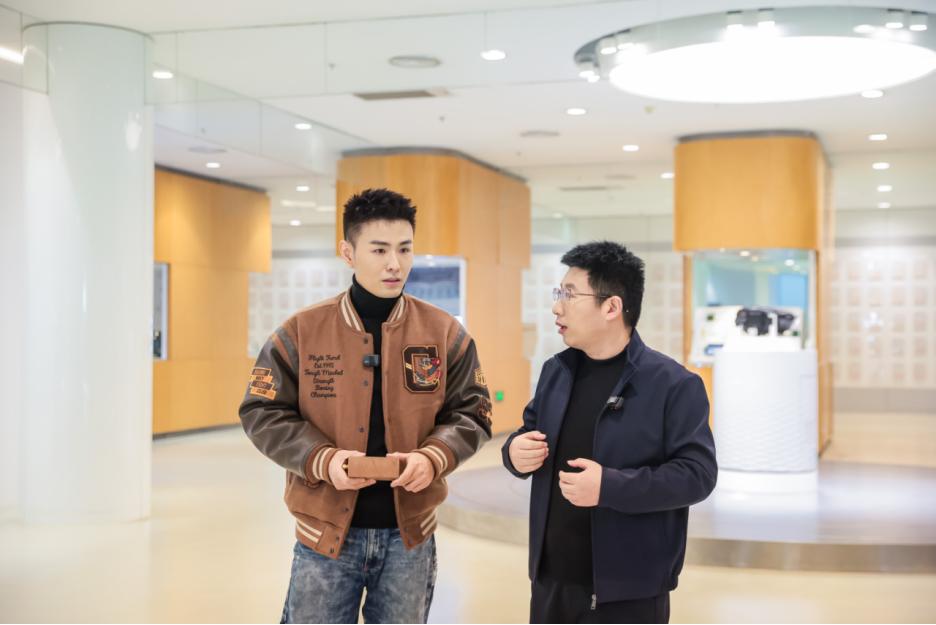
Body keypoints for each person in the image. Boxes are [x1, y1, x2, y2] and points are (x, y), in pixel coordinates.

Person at [240, 188, 492, 624]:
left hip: (409, 538)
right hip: (324, 536)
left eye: (405, 249)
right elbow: (261, 411)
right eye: (379, 250)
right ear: (348, 252)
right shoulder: (301, 331)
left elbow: (473, 411)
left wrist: (434, 458)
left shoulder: (444, 332)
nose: (395, 264)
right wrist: (322, 459)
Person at [502, 241, 717, 624]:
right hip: (551, 582)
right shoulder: (557, 371)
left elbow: (697, 476)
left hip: (629, 591)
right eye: (558, 294)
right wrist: (514, 452)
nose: (557, 307)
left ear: (612, 307)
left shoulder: (673, 385)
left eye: (570, 295)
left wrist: (609, 487)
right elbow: (528, 432)